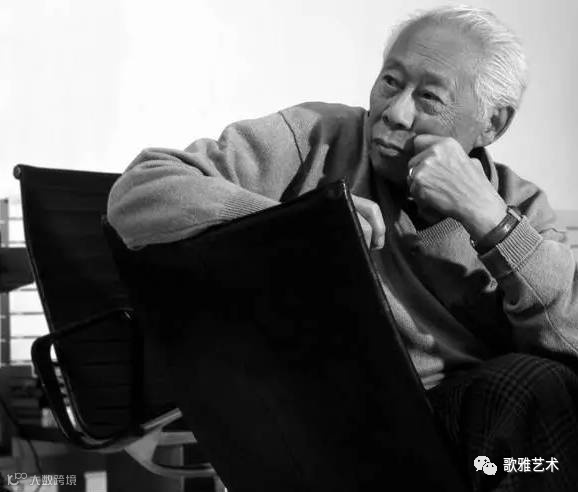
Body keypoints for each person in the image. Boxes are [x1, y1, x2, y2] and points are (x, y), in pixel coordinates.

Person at [107, 6, 578, 491]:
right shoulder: (318, 138)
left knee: (534, 395)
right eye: (390, 82)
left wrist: (492, 222)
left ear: (492, 124)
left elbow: (570, 346)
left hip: (474, 442)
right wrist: (304, 223)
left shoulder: (520, 206)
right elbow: (142, 188)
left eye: (429, 97)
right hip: (329, 425)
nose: (394, 112)